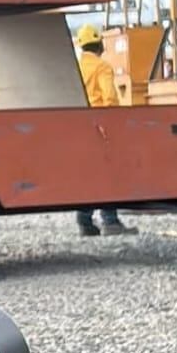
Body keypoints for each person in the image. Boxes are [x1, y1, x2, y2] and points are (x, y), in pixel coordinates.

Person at [73, 23, 136, 237]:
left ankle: (84, 222)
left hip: (78, 126)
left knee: (87, 175)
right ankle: (110, 222)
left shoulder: (74, 66)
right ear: (99, 44)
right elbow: (109, 98)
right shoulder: (102, 67)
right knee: (108, 174)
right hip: (100, 127)